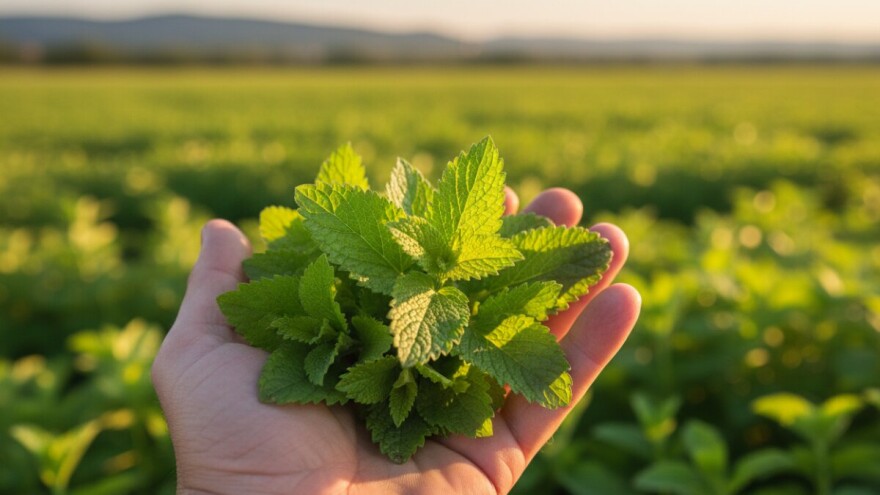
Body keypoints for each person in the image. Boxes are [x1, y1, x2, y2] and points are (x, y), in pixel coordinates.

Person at [151, 187, 641, 495]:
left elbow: (422, 335)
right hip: (380, 364)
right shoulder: (394, 312)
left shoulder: (431, 299)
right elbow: (281, 370)